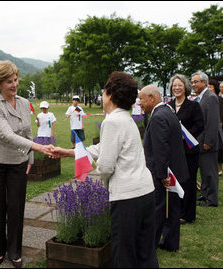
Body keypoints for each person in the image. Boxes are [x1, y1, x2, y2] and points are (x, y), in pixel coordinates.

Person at [52, 72, 159, 267]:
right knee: (145, 252)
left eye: (103, 92)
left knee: (123, 255)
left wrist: (99, 168)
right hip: (145, 192)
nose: (102, 96)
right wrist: (68, 152)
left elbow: (106, 165)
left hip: (127, 198)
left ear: (110, 94)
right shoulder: (126, 119)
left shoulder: (111, 121)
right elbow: (102, 148)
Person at [0, 60, 54, 268]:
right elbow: (7, 135)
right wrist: (38, 148)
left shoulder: (23, 102)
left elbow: (27, 130)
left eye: (15, 80)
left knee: (16, 206)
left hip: (18, 161)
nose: (14, 85)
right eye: (8, 82)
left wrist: (30, 156)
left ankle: (14, 251)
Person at [139, 84, 189, 252]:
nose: (140, 103)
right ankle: (170, 243)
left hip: (165, 173)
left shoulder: (159, 116)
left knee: (159, 209)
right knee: (173, 209)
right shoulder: (168, 111)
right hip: (174, 170)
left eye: (141, 99)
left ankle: (150, 246)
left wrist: (162, 175)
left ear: (152, 98)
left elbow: (161, 149)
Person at [168, 74, 204, 224]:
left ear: (185, 88)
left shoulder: (193, 105)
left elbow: (200, 125)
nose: (177, 88)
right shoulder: (168, 105)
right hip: (173, 152)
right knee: (174, 182)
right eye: (174, 85)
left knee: (188, 182)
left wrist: (185, 136)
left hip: (189, 151)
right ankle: (174, 211)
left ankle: (187, 214)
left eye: (180, 85)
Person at [191, 71, 221, 207]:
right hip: (200, 142)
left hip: (207, 143)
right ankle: (204, 194)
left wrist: (208, 142)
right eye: (192, 82)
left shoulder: (211, 97)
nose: (193, 85)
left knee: (210, 172)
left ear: (204, 82)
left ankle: (212, 199)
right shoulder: (201, 97)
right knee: (204, 170)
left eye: (196, 82)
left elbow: (213, 122)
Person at [208, 79, 223, 176]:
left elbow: (221, 115)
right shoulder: (208, 98)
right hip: (210, 128)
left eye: (210, 87)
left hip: (217, 128)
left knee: (219, 150)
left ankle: (219, 168)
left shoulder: (219, 99)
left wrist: (219, 125)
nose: (209, 88)